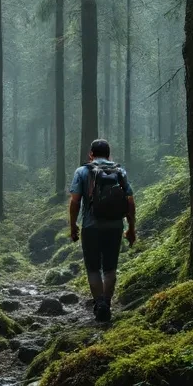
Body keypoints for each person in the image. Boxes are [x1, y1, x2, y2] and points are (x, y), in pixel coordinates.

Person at [69, 138, 136, 323]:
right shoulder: (120, 171)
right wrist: (131, 228)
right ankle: (107, 302)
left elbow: (75, 201)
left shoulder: (82, 171)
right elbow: (130, 201)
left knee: (93, 268)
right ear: (109, 154)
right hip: (115, 226)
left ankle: (99, 304)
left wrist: (73, 225)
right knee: (110, 268)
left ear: (90, 154)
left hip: (91, 227)